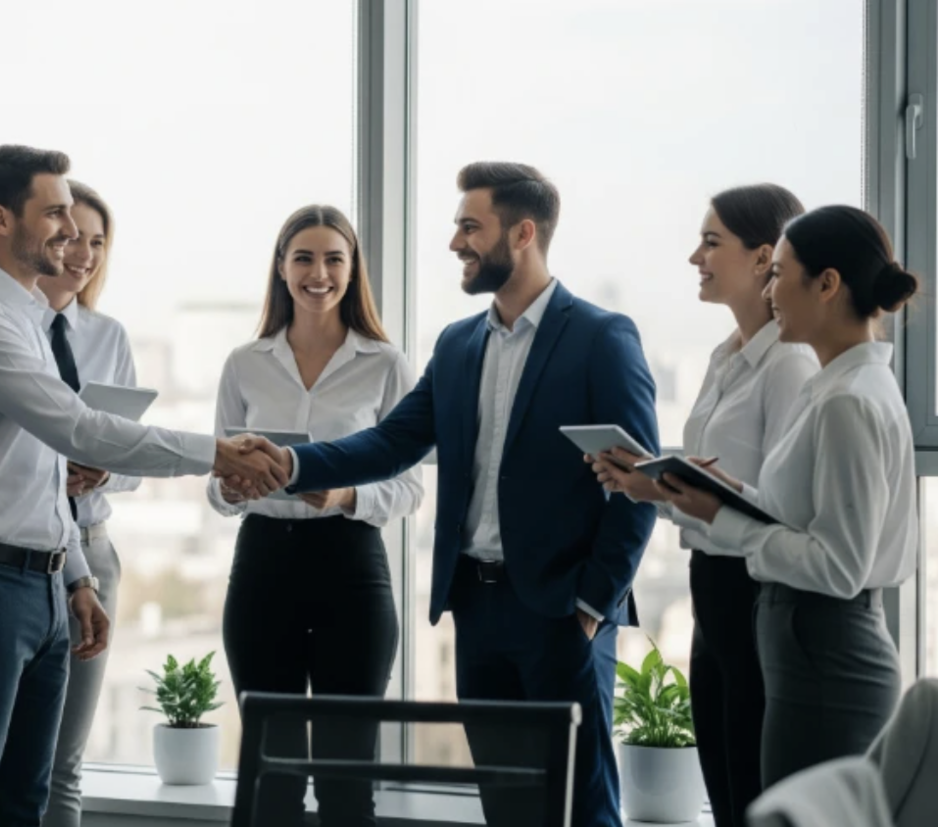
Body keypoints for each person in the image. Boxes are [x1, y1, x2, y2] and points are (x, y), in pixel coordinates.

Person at [233, 162, 659, 827]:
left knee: (579, 807)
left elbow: (641, 483)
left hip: (559, 613)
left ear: (522, 233)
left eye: (469, 226)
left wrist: (590, 603)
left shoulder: (602, 337)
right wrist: (289, 462)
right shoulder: (458, 344)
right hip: (477, 610)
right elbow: (387, 445)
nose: (455, 241)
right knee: (507, 807)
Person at [0, 144, 287, 827]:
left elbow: (44, 471)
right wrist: (218, 452)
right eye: (53, 213)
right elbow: (78, 431)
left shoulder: (30, 317)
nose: (69, 231)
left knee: (27, 799)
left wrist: (76, 576)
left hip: (42, 584)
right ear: (1, 219)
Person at [657, 204, 919, 789]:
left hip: (827, 648)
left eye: (779, 273)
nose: (769, 290)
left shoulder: (847, 399)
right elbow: (805, 515)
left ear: (827, 285)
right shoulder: (834, 387)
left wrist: (726, 520)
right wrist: (728, 493)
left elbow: (838, 566)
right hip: (809, 644)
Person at [589, 184, 815, 827]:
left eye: (712, 242)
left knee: (751, 782)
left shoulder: (789, 365)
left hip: (756, 591)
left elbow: (779, 506)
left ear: (763, 257)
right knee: (722, 781)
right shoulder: (725, 359)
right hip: (710, 590)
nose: (695, 257)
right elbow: (710, 488)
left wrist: (660, 491)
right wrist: (648, 485)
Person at [208, 205, 423, 826]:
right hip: (262, 563)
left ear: (353, 271)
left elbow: (410, 489)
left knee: (346, 776)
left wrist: (345, 496)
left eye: (334, 258)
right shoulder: (244, 363)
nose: (318, 272)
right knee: (268, 772)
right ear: (281, 268)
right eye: (303, 257)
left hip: (350, 567)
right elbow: (217, 493)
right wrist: (237, 485)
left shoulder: (385, 365)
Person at [33, 181, 144, 827]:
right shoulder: (3, 330)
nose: (85, 254)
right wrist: (49, 466)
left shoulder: (107, 335)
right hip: (18, 554)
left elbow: (130, 457)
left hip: (93, 556)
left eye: (98, 242)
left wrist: (102, 471)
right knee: (8, 759)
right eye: (74, 236)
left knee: (64, 762)